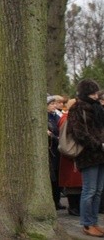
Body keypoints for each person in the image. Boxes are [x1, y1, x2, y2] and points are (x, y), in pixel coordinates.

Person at [66, 79, 104, 237]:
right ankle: (87, 224)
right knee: (89, 190)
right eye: (94, 93)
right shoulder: (77, 108)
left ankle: (94, 221)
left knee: (98, 190)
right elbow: (79, 133)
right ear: (87, 93)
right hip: (87, 154)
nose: (96, 95)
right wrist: (99, 144)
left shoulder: (97, 108)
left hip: (100, 154)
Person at [58, 98, 81, 217]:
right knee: (72, 181)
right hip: (71, 152)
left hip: (74, 152)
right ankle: (73, 206)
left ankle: (76, 206)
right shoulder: (67, 119)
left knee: (76, 181)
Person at [47, 96, 65, 210]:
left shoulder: (57, 116)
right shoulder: (45, 117)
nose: (54, 106)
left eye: (55, 103)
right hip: (51, 150)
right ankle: (52, 201)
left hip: (57, 149)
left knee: (58, 176)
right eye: (51, 104)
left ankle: (57, 200)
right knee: (52, 177)